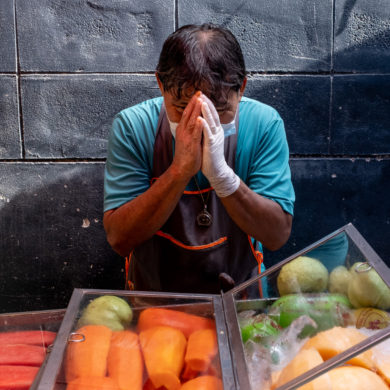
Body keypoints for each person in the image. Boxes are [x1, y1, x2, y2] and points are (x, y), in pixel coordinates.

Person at [103, 23, 295, 294]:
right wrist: (179, 171)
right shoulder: (133, 126)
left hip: (241, 299)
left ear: (241, 88)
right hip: (156, 305)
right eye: (183, 109)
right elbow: (119, 239)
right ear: (161, 84)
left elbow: (277, 235)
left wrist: (223, 177)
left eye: (219, 110)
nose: (202, 122)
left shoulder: (263, 124)